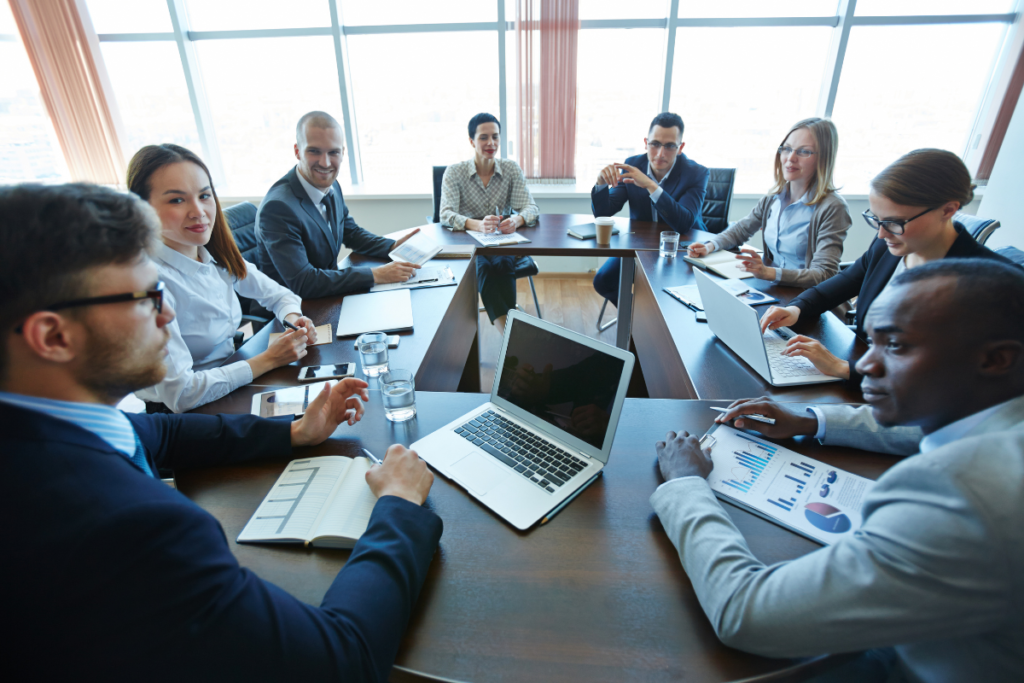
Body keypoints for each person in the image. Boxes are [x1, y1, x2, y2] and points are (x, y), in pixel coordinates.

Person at [1, 183, 442, 682]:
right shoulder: (132, 531)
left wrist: (294, 432)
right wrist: (400, 506)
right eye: (147, 297)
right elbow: (341, 662)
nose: (168, 315)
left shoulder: (39, 422)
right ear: (54, 337)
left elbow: (156, 433)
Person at [651, 259, 1024, 682]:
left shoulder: (957, 494)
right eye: (873, 343)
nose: (864, 365)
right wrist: (812, 419)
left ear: (996, 360)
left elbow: (748, 614)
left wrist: (685, 485)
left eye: (897, 347)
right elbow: (922, 426)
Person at [759, 148, 1013, 381]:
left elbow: (945, 379)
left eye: (894, 222)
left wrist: (843, 368)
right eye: (877, 220)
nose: (881, 234)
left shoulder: (992, 287)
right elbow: (843, 283)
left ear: (948, 210)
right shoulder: (889, 246)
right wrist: (796, 309)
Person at [127, 144, 314, 413]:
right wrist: (269, 360)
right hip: (187, 414)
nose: (198, 211)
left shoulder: (213, 253)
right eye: (177, 200)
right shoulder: (148, 286)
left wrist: (295, 320)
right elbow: (182, 394)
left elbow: (280, 295)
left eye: (204, 195)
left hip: (233, 381)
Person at [255, 111, 421, 297]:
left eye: (333, 152)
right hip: (293, 314)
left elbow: (350, 233)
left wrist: (392, 247)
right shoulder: (278, 208)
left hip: (327, 296)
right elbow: (304, 282)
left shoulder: (331, 184)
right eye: (314, 151)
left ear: (343, 152)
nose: (325, 163)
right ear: (297, 151)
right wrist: (375, 275)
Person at [687, 118, 851, 287]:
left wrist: (768, 272)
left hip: (807, 299)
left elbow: (824, 274)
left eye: (804, 152)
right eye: (787, 149)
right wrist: (710, 246)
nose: (790, 158)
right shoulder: (774, 197)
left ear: (823, 158)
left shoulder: (833, 207)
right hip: (776, 289)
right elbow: (741, 229)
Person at [592, 112, 708, 307]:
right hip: (642, 245)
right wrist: (601, 185)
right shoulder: (633, 164)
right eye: (655, 144)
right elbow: (604, 213)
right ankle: (635, 322)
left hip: (684, 246)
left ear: (680, 148)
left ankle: (651, 323)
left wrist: (651, 186)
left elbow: (683, 222)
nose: (660, 153)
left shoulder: (696, 173)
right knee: (603, 281)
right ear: (646, 142)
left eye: (670, 146)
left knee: (669, 297)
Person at [439, 113, 539, 334]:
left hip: (502, 241)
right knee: (483, 265)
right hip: (468, 242)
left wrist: (516, 219)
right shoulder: (455, 173)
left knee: (502, 262)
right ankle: (510, 333)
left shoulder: (511, 169)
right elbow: (445, 215)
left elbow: (531, 208)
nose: (491, 143)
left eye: (495, 137)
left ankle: (509, 336)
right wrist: (476, 224)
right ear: (472, 141)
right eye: (483, 137)